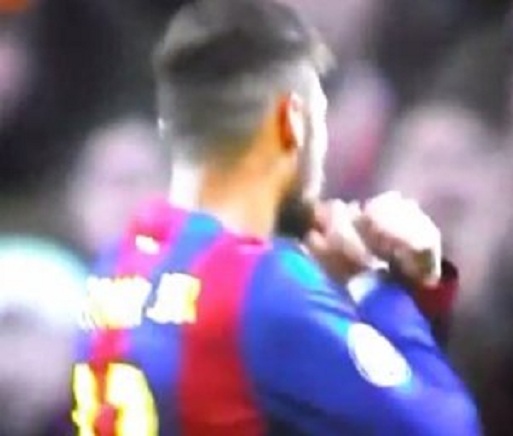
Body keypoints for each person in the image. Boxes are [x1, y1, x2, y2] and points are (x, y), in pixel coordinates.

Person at [71, 1, 479, 435]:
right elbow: (446, 427)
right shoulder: (263, 284)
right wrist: (378, 288)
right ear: (291, 123)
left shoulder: (111, 267)